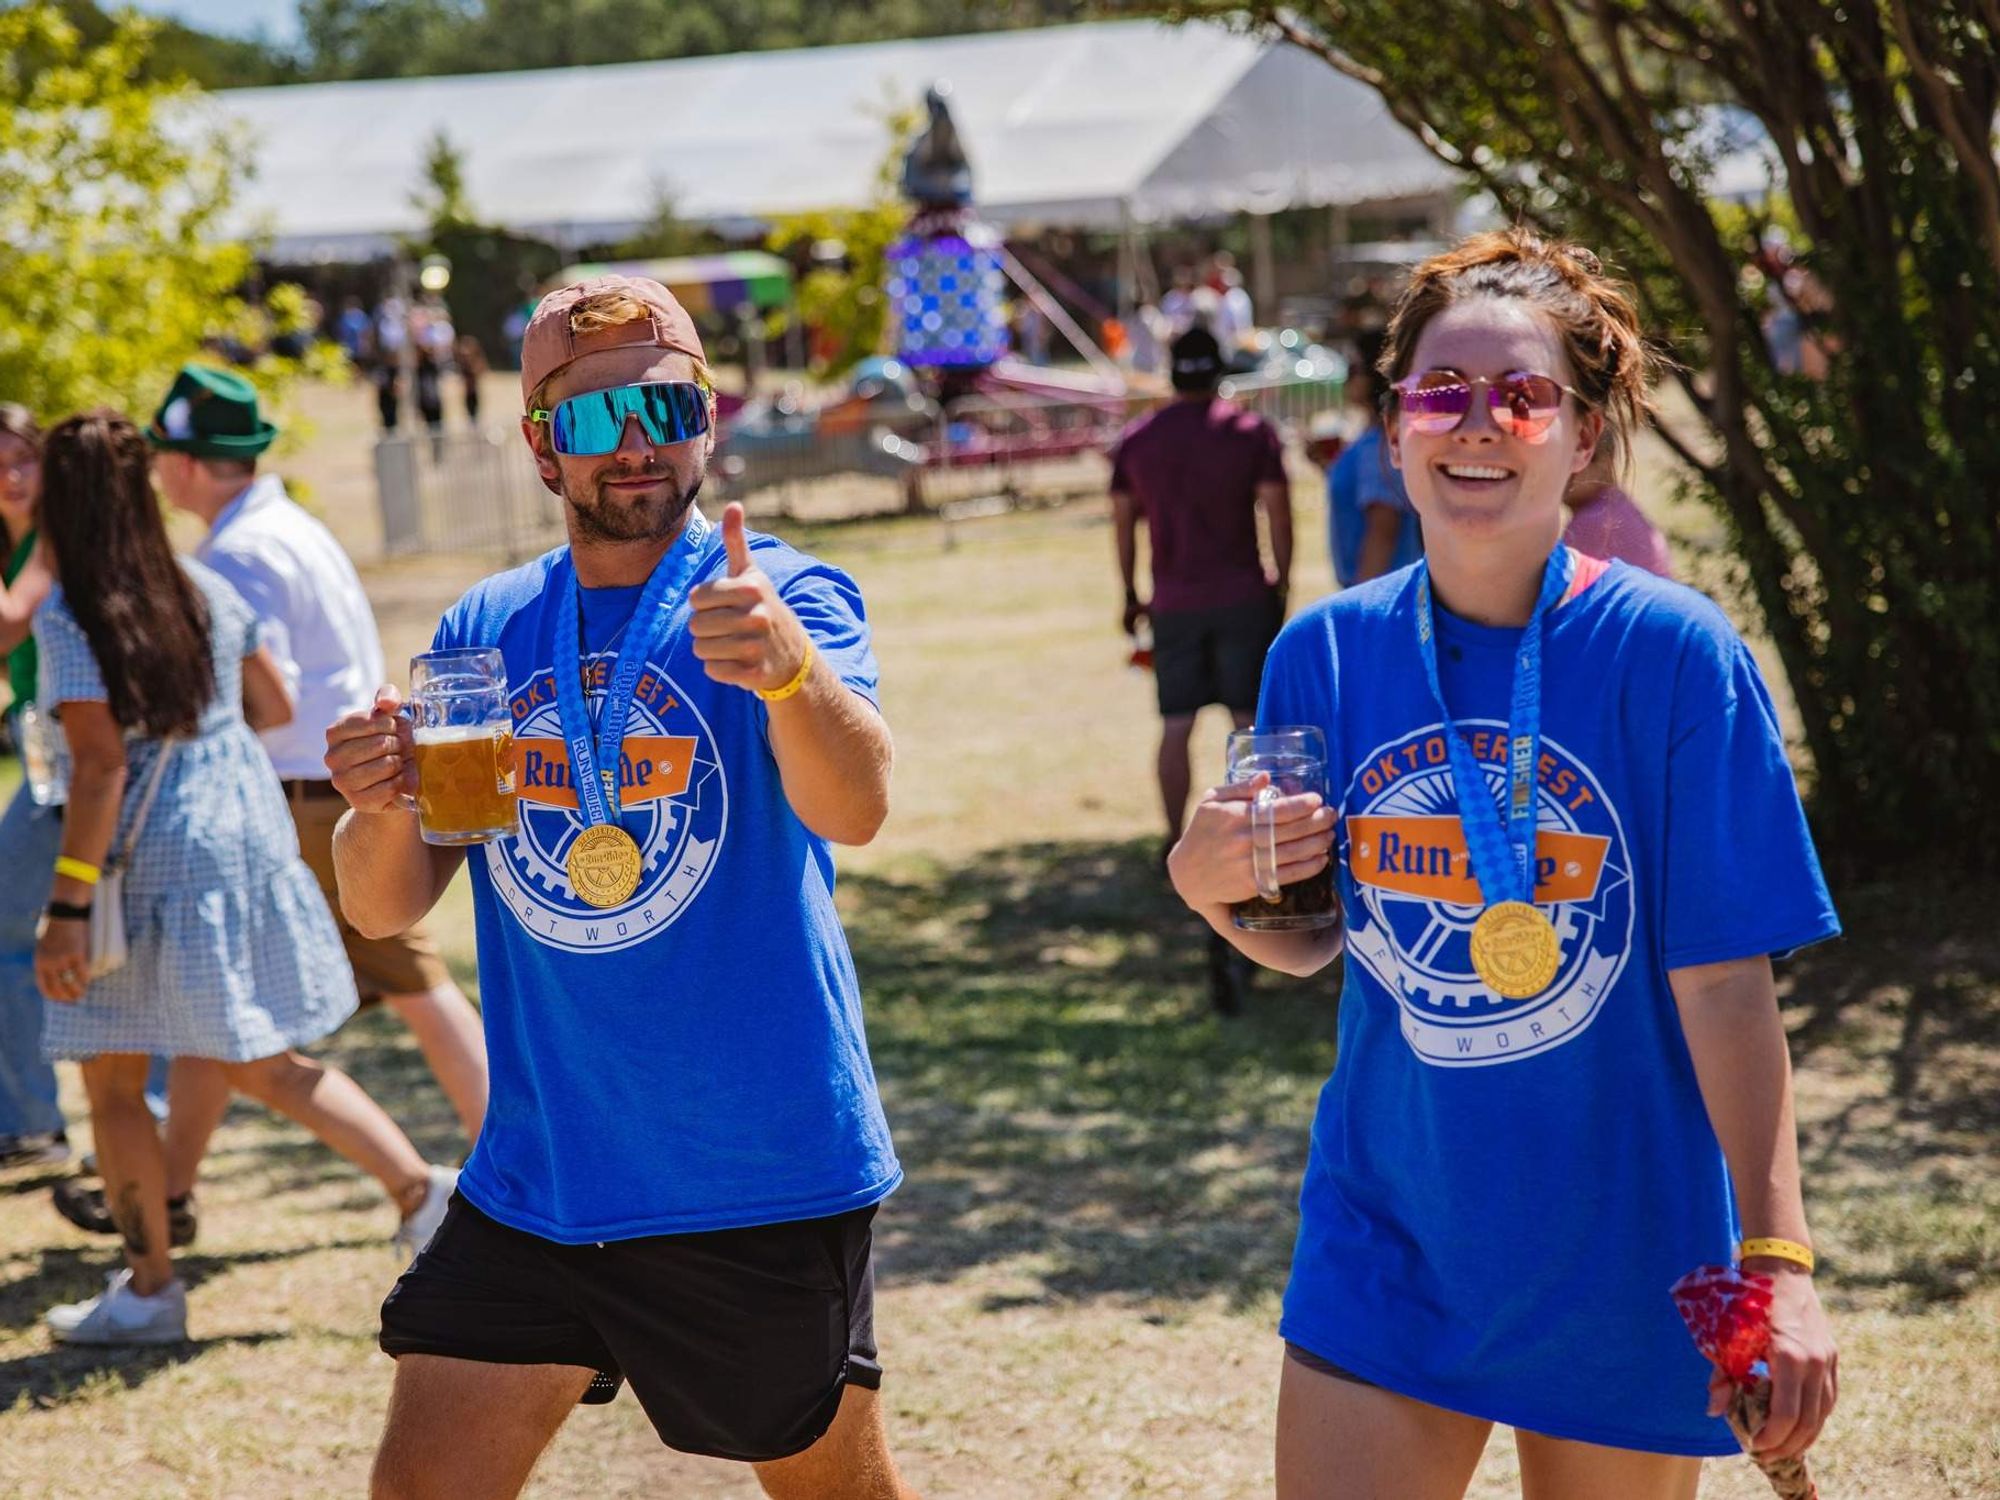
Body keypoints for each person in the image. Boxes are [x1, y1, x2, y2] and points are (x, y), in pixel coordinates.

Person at [1169, 229, 1839, 1499]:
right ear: (1393, 427)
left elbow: (1724, 986)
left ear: (1580, 438)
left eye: (1522, 396)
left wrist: (1778, 1264)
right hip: (1389, 1237)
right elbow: (1308, 934)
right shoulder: (1321, 655)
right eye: (1440, 392)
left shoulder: (1676, 657)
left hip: (1626, 1249)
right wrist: (1209, 887)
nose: (1475, 424)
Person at [324, 275, 916, 1500]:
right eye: (593, 421)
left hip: (751, 1172)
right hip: (541, 1173)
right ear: (543, 448)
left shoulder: (780, 598)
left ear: (706, 416)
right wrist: (376, 802)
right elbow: (385, 906)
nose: (636, 441)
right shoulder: (485, 630)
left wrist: (789, 678)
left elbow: (854, 809)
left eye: (665, 405)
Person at [30, 411, 457, 1346]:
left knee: (112, 1084)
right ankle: (422, 1194)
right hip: (240, 837)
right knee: (255, 1057)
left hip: (143, 867)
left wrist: (66, 903)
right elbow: (275, 702)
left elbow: (98, 769)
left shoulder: (72, 616)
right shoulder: (203, 588)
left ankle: (149, 1290)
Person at [145, 364, 488, 1152]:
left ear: (188, 463)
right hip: (329, 791)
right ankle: (169, 1191)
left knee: (412, 988)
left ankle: (514, 1151)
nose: (159, 471)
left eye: (164, 453)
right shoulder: (284, 527)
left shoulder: (234, 556)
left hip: (312, 798)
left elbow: (273, 698)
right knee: (225, 1003)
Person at [1111, 324, 1291, 1014]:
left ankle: (1172, 838)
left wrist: (1130, 593)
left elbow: (1122, 521)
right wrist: (1280, 582)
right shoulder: (1249, 433)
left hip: (1176, 602)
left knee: (1175, 725)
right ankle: (1255, 835)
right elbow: (1276, 509)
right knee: (1248, 726)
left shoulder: (1140, 442)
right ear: (1218, 372)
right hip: (1244, 594)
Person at [0, 404, 67, 1169]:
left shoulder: (56, 541)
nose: (13, 478)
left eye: (25, 460)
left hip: (78, 766)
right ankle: (31, 1120)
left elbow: (10, 625)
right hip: (43, 760)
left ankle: (32, 1121)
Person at [1326, 329, 1423, 588]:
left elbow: (1383, 531)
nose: (1347, 377)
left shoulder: (1378, 445)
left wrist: (1361, 612)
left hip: (1380, 594)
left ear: (1375, 373)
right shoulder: (1374, 438)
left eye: (1353, 367)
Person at [1562, 437, 1675, 578]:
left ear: (1604, 464)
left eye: (1569, 462)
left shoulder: (1594, 521)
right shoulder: (1617, 504)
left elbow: (1556, 587)